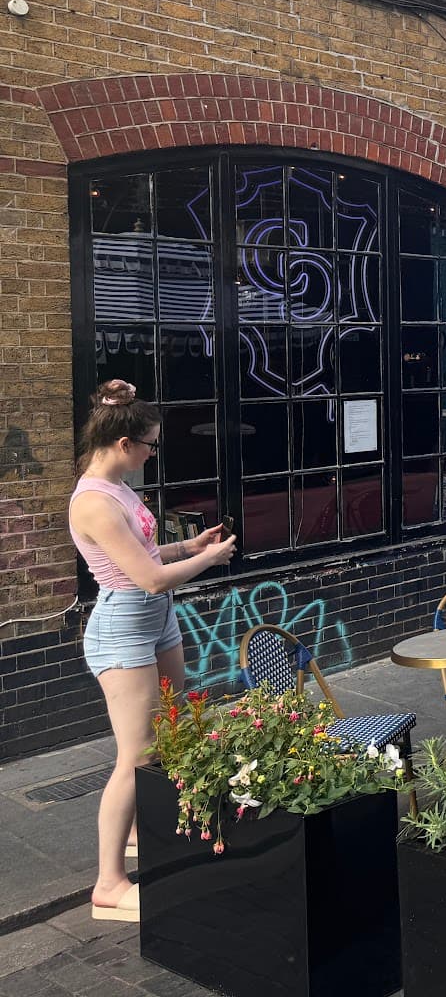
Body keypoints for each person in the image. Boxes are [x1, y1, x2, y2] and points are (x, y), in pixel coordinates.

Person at [71, 380, 236, 922]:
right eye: (150, 445)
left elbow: (145, 552)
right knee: (136, 752)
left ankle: (145, 830)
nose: (151, 454)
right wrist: (208, 563)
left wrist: (188, 546)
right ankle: (109, 884)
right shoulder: (94, 501)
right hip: (124, 629)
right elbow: (148, 579)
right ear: (123, 444)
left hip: (155, 624)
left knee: (172, 731)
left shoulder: (117, 488)